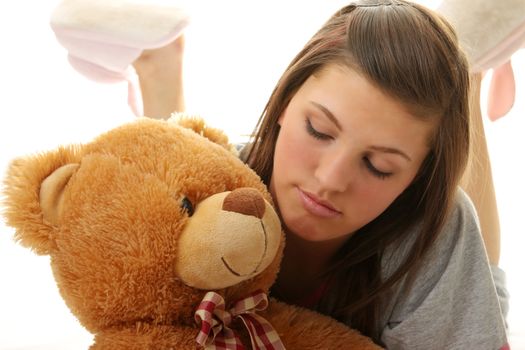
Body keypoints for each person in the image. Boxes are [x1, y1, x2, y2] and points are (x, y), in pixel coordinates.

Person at [132, 1, 508, 348]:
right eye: (318, 130)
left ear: (415, 178)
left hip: (443, 267)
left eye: (379, 167)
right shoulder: (217, 183)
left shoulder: (433, 230)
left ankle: (469, 72)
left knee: (470, 259)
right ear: (285, 101)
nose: (330, 180)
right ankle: (158, 64)